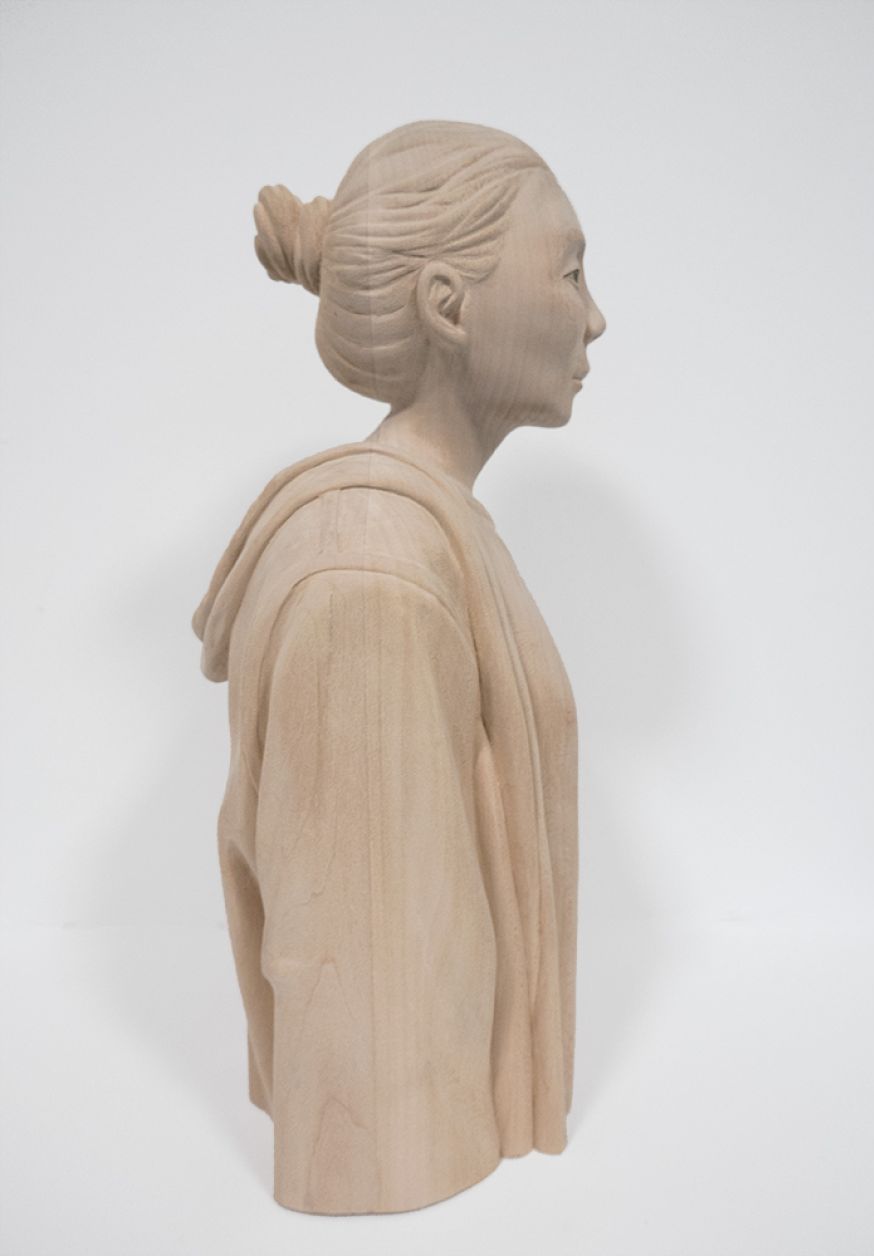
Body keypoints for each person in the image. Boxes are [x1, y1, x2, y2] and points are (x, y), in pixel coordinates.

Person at [192, 118, 606, 1215]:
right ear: (447, 306)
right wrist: (394, 1155)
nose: (595, 316)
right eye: (568, 271)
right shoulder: (373, 579)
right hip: (399, 1159)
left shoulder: (429, 535)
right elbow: (359, 984)